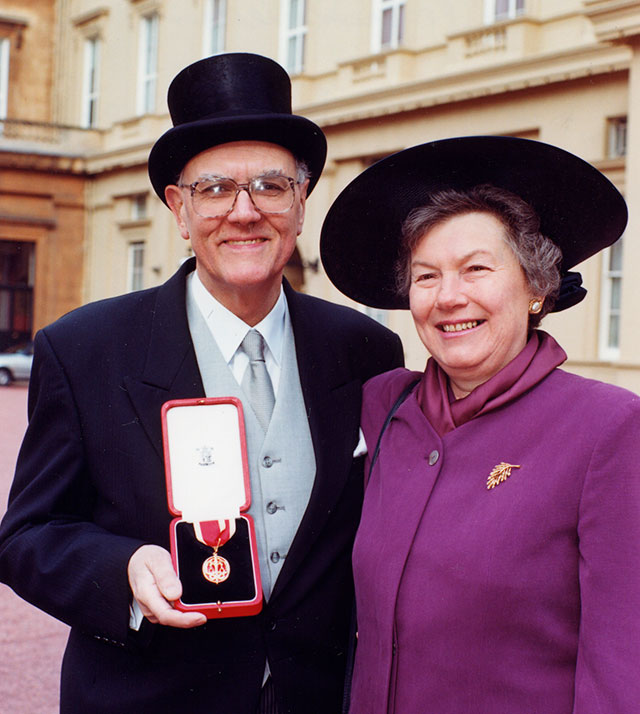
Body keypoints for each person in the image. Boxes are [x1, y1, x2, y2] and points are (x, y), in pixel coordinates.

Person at [0, 53, 403, 714]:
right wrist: (123, 572)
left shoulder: (364, 349)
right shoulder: (84, 350)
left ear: (301, 204)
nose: (244, 212)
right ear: (179, 210)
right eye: (216, 189)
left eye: (271, 186)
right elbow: (27, 536)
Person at [320, 136, 640, 713]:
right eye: (426, 277)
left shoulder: (608, 429)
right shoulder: (383, 405)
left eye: (476, 270)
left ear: (537, 288)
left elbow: (622, 667)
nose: (449, 297)